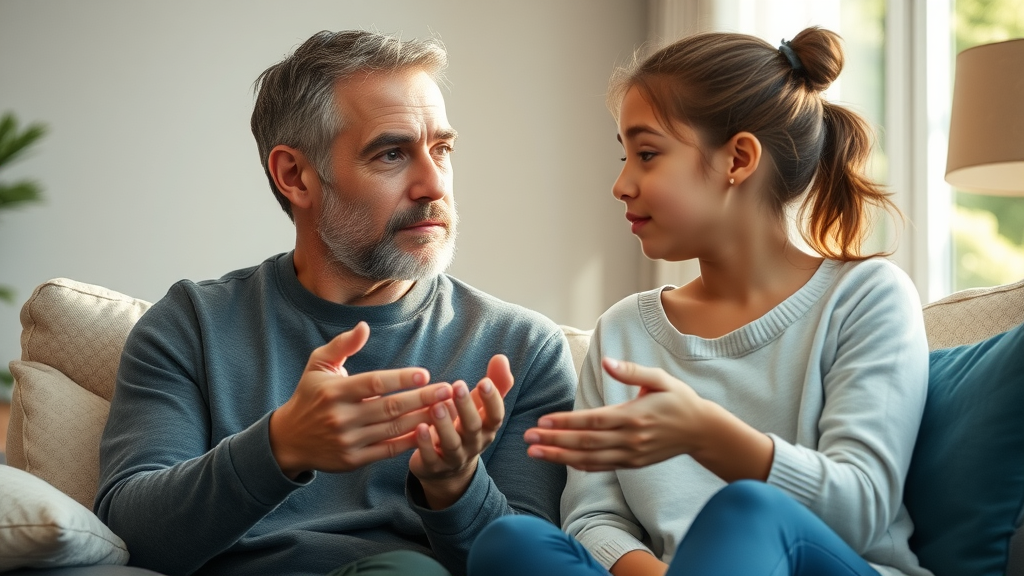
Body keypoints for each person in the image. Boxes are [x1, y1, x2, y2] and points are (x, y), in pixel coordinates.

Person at [95, 30, 576, 576]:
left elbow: (533, 566)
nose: (433, 185)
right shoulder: (192, 326)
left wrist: (454, 484)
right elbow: (128, 534)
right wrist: (281, 446)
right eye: (392, 153)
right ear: (294, 175)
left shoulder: (521, 352)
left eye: (441, 149)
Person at [468, 27, 931, 576]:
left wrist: (705, 434)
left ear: (737, 159)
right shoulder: (623, 332)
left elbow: (860, 509)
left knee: (748, 510)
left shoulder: (865, 297)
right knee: (511, 543)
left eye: (646, 154)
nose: (621, 184)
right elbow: (593, 519)